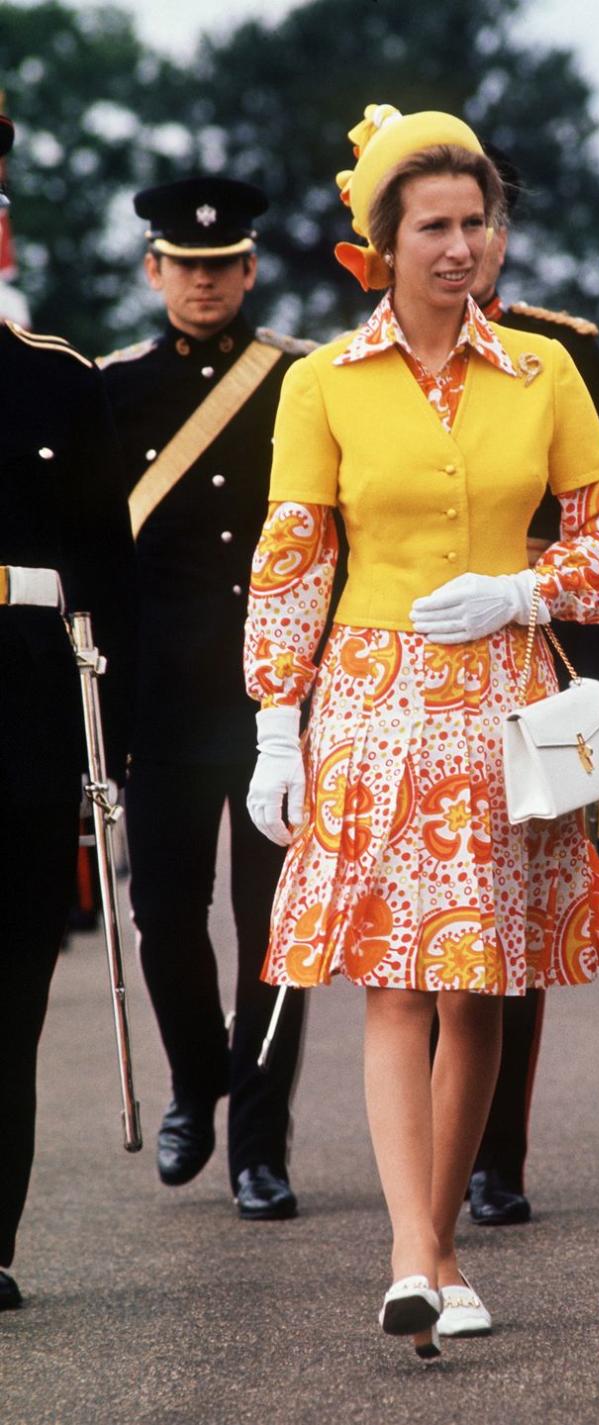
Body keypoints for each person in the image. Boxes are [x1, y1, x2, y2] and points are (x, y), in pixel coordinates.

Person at [243, 101, 599, 1355]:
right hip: (369, 702)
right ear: (381, 242)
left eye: (478, 224)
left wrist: (528, 587)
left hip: (503, 703)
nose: (459, 247)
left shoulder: (547, 372)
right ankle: (413, 1253)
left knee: (480, 989)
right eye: (433, 226)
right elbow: (293, 561)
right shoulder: (322, 383)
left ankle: (446, 1246)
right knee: (396, 983)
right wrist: (272, 720)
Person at [99, 176, 313, 1221]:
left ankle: (260, 1147)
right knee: (163, 917)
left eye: (223, 265)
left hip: (282, 696)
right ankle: (198, 1079)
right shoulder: (113, 390)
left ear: (250, 268)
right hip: (163, 699)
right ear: (154, 270)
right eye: (185, 266)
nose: (204, 282)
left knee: (279, 929)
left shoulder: (306, 382)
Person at [461, 148, 599, 1228]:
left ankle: (498, 1156)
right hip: (408, 653)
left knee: (514, 910)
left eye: (477, 222)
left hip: (536, 648)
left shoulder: (559, 353)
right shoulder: (348, 366)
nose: (460, 246)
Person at [0, 108, 135, 1308]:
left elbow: (107, 566)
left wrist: (120, 736)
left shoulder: (56, 382)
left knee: (9, 990)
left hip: (21, 712)